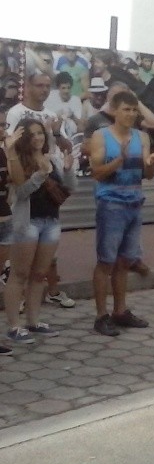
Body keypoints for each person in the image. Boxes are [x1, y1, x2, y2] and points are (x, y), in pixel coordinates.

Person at [88, 91, 154, 337]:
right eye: (126, 109)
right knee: (106, 261)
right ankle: (101, 315)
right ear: (114, 111)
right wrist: (118, 159)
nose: (130, 114)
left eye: (133, 110)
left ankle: (120, 311)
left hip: (134, 201)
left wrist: (152, 164)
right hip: (110, 203)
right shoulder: (101, 136)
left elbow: (147, 175)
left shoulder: (142, 137)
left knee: (125, 261)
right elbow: (96, 173)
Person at [7, 72, 77, 311]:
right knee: (22, 263)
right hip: (28, 183)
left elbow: (65, 145)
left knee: (46, 254)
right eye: (39, 85)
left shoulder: (51, 115)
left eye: (48, 86)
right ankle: (19, 306)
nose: (44, 90)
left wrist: (56, 133)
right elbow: (12, 146)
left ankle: (45, 299)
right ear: (27, 86)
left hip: (51, 183)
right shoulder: (16, 113)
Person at [5, 118, 76, 344]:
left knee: (39, 274)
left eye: (40, 133)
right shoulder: (17, 159)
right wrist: (39, 175)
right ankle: (14, 325)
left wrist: (67, 169)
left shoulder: (51, 158)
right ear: (24, 137)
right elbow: (22, 192)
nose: (38, 138)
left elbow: (68, 189)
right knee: (19, 274)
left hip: (51, 221)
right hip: (27, 222)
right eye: (32, 134)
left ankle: (34, 321)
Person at [0, 113, 17, 355]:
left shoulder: (4, 150)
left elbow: (14, 179)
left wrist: (9, 150)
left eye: (4, 124)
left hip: (4, 217)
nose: (3, 129)